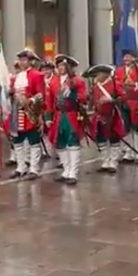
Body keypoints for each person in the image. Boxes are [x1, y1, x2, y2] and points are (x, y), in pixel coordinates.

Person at [45, 55, 87, 185]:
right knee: (59, 143)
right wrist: (48, 117)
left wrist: (74, 94)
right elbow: (49, 100)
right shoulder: (53, 82)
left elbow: (84, 98)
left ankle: (73, 173)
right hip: (58, 115)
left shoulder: (77, 81)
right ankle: (66, 170)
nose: (61, 68)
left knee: (72, 142)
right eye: (59, 66)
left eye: (63, 66)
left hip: (72, 115)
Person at [7, 49, 45, 179]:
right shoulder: (16, 77)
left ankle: (34, 169)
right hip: (17, 112)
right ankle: (21, 167)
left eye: (24, 60)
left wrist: (30, 101)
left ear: (30, 61)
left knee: (33, 141)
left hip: (30, 112)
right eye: (20, 60)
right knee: (17, 141)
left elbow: (41, 94)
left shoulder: (37, 75)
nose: (22, 63)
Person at [114, 50, 138, 164]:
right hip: (124, 102)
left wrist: (135, 85)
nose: (126, 59)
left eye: (128, 56)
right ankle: (129, 153)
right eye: (124, 57)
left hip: (137, 102)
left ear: (134, 58)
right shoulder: (119, 71)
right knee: (126, 129)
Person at [87, 64, 126, 173]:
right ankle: (105, 161)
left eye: (98, 74)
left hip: (112, 115)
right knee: (100, 140)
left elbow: (123, 97)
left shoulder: (114, 84)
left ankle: (113, 162)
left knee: (114, 139)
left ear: (104, 74)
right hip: (99, 116)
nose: (96, 77)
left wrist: (111, 100)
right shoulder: (95, 87)